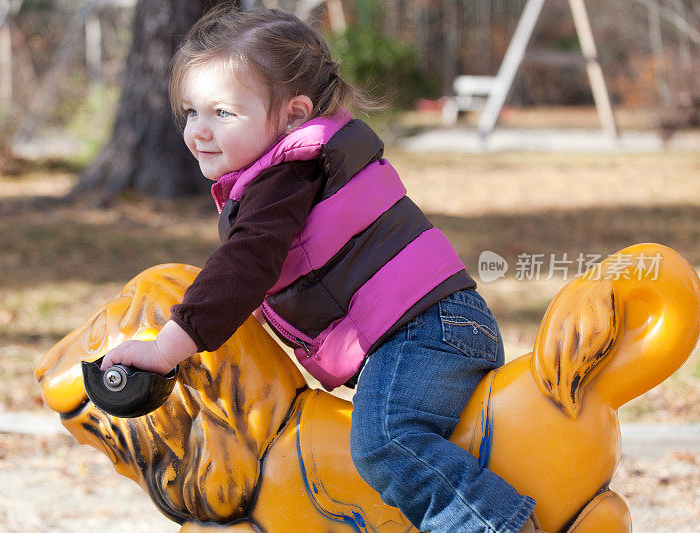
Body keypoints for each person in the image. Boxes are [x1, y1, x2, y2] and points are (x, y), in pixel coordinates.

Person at [100, 6, 541, 532]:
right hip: (430, 328)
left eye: (223, 113)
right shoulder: (291, 172)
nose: (200, 131)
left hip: (427, 331)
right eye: (191, 112)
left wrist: (167, 347)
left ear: (292, 114)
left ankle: (496, 525)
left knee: (386, 441)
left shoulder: (291, 172)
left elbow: (246, 265)